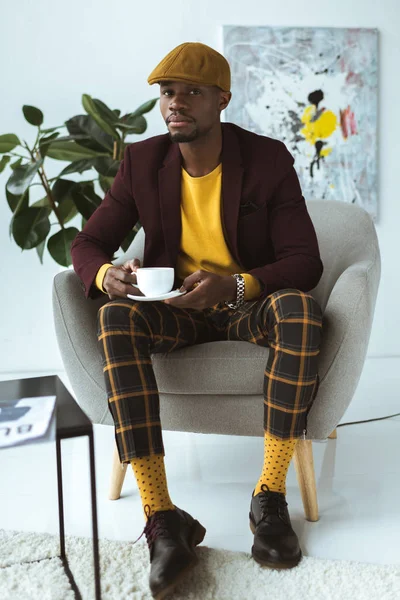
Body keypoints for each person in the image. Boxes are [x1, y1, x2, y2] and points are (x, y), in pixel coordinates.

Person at [71, 41, 323, 600]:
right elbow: (88, 241)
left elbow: (305, 261)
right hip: (178, 312)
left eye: (191, 91)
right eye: (167, 92)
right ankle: (163, 518)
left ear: (222, 100)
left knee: (301, 310)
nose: (174, 102)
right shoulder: (142, 161)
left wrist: (235, 284)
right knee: (115, 316)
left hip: (244, 306)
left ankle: (269, 498)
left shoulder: (266, 159)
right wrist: (107, 273)